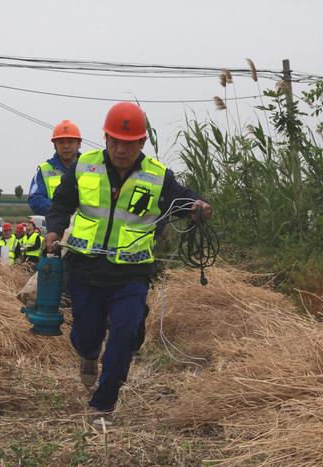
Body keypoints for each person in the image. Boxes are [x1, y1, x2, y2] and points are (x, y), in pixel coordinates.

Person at [45, 102, 211, 426]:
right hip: (86, 268)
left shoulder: (158, 176)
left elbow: (183, 199)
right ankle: (89, 355)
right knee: (86, 336)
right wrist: (53, 231)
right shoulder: (83, 167)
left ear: (142, 143)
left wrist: (198, 206)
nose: (121, 150)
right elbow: (61, 204)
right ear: (105, 138)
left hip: (131, 274)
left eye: (129, 143)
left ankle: (103, 405)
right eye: (115, 141)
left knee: (124, 333)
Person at [28, 120, 82, 216]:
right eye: (61, 142)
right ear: (54, 145)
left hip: (86, 229)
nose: (66, 146)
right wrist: (62, 208)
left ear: (79, 144)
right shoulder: (44, 171)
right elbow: (34, 199)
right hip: (56, 228)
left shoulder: (91, 168)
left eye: (70, 142)